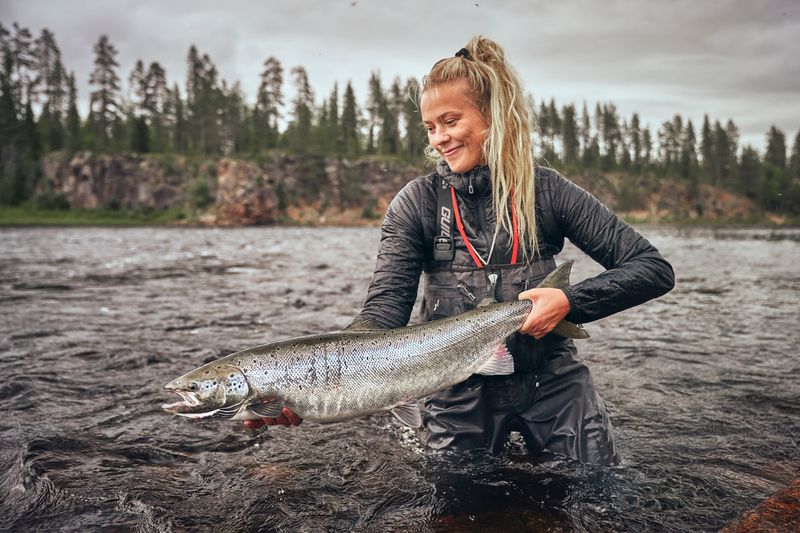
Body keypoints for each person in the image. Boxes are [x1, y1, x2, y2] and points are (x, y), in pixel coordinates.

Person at [245, 36, 674, 465]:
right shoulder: (416, 203)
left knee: (594, 494)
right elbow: (381, 316)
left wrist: (568, 300)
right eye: (430, 128)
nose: (439, 139)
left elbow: (652, 269)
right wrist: (302, 390)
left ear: (492, 116)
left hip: (554, 382)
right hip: (455, 394)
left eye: (450, 121)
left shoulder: (548, 191)